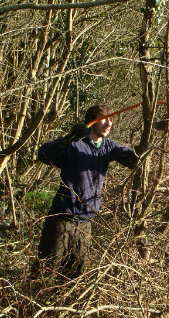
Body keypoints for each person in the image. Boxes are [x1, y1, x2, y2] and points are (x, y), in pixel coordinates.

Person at [35, 104, 139, 278]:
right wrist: (69, 138)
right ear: (91, 122)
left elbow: (135, 159)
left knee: (76, 277)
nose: (109, 124)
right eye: (104, 118)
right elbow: (44, 154)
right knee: (45, 273)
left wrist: (158, 130)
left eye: (111, 120)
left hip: (85, 225)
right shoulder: (75, 144)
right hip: (62, 219)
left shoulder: (108, 147)